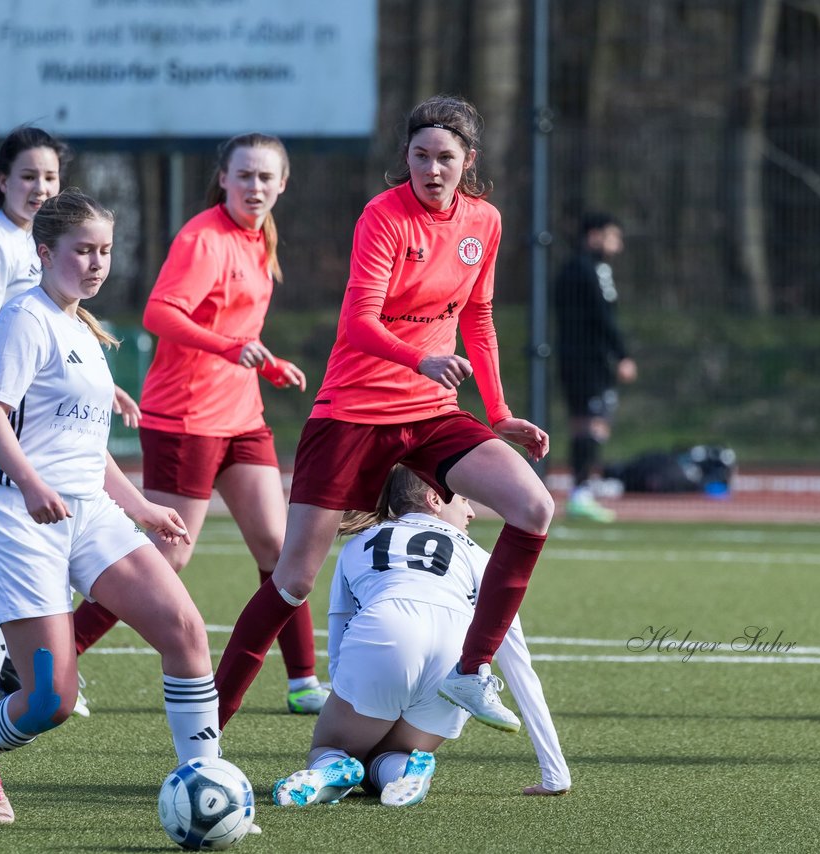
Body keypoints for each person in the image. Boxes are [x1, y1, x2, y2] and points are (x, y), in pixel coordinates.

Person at [214, 94, 556, 734]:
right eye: (420, 155)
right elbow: (357, 322)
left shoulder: (484, 221)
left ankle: (470, 672)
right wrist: (416, 358)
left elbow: (477, 319)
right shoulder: (383, 215)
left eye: (445, 158)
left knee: (535, 508)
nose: (432, 169)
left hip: (431, 413)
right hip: (352, 413)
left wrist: (499, 411)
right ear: (406, 157)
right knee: (291, 582)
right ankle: (204, 730)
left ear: (467, 161)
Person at [0, 190, 220, 825]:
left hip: (89, 515)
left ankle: (206, 784)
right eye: (83, 251)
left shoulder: (84, 330)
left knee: (185, 633)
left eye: (105, 251)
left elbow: (88, 448)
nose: (97, 263)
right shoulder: (25, 318)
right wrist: (32, 483)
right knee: (50, 700)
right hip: (20, 520)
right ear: (45, 252)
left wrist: (141, 506)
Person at [67, 133, 329, 714]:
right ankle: (58, 653)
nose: (254, 187)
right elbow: (160, 312)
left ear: (282, 184)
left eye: (265, 177)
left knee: (280, 547)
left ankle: (303, 681)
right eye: (244, 176)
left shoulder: (261, 239)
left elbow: (236, 329)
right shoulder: (202, 236)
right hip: (184, 416)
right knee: (170, 554)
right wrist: (230, 347)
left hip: (241, 417)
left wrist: (268, 362)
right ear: (224, 179)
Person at [0, 127, 140, 725]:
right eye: (28, 176)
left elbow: (60, 337)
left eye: (50, 178)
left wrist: (95, 384)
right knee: (21, 532)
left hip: (30, 405)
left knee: (47, 531)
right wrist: (10, 394)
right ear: (2, 181)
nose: (39, 187)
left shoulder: (59, 246)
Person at [271, 465, 572, 808]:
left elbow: (340, 627)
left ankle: (332, 766)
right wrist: (555, 773)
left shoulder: (359, 543)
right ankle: (404, 771)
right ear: (434, 499)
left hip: (384, 635)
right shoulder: (479, 555)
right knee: (391, 756)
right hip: (455, 659)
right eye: (463, 499)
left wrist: (349, 692)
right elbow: (518, 663)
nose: (471, 511)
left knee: (331, 747)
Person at [553, 212, 637, 523]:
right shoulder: (591, 270)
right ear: (595, 236)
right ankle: (581, 493)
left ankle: (581, 491)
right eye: (613, 237)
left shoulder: (572, 269)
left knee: (583, 424)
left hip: (573, 358)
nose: (618, 245)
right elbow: (603, 317)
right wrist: (622, 355)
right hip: (589, 361)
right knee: (594, 424)